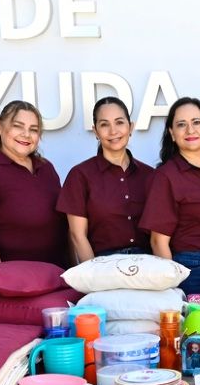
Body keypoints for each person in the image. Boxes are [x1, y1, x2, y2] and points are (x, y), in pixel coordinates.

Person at [140, 97, 200, 292]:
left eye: (196, 122)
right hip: (194, 271)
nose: (190, 130)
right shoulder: (166, 176)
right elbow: (158, 242)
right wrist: (171, 287)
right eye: (181, 124)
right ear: (172, 134)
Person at [0, 100, 68, 265]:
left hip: (55, 274)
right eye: (18, 126)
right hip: (12, 277)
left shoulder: (46, 168)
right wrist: (1, 278)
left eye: (33, 129)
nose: (26, 134)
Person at [58, 96, 151, 262]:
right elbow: (77, 236)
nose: (113, 131)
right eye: (104, 124)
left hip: (149, 264)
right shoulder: (80, 175)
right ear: (95, 131)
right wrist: (95, 272)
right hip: (103, 264)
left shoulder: (151, 175)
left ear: (130, 127)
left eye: (119, 122)